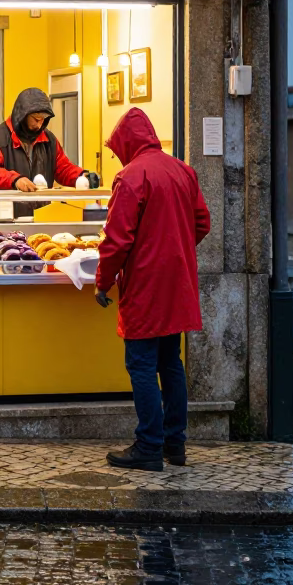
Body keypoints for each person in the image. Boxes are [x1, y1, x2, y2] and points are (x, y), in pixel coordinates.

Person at [95, 107, 210, 472]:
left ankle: (148, 446)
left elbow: (116, 240)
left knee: (142, 365)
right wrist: (176, 247)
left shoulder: (131, 177)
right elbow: (202, 222)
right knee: (170, 362)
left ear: (128, 143)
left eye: (117, 149)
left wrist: (103, 280)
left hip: (146, 283)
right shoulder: (183, 170)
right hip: (177, 282)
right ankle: (175, 444)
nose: (118, 156)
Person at [0, 88, 99, 205]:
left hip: (41, 217)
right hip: (8, 218)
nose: (40, 125)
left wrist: (82, 175)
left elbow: (63, 169)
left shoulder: (49, 140)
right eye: (36, 120)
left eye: (44, 120)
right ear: (22, 116)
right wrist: (15, 180)